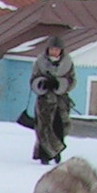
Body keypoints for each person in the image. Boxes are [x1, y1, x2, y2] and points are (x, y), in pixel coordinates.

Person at [26, 36, 75, 164]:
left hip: (61, 102)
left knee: (59, 127)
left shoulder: (68, 63)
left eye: (57, 49)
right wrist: (42, 84)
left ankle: (57, 152)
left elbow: (72, 81)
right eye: (52, 49)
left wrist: (59, 84)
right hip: (44, 101)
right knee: (43, 127)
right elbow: (33, 80)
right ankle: (44, 155)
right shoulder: (40, 62)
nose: (54, 52)